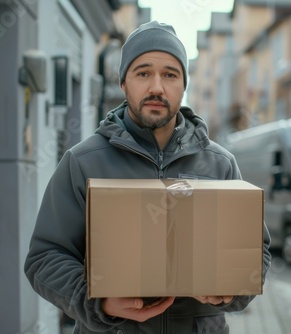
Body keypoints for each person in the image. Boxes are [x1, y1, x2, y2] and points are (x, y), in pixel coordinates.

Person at [24, 20, 271, 333]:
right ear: (124, 82)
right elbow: (44, 258)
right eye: (143, 73)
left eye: (170, 74)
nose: (157, 86)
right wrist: (97, 302)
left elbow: (256, 252)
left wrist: (231, 290)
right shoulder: (82, 162)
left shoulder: (220, 164)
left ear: (183, 85)